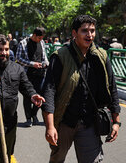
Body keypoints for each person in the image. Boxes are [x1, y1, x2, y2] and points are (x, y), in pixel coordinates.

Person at [42, 15, 121, 163]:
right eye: (84, 31)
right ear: (74, 33)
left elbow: (112, 89)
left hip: (89, 123)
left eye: (92, 30)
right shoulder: (60, 56)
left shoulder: (102, 56)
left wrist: (116, 122)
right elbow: (49, 91)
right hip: (64, 122)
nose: (89, 35)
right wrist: (50, 127)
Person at [0, 34, 45, 162]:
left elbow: (26, 86)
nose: (4, 53)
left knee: (6, 154)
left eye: (6, 49)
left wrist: (32, 95)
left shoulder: (16, 68)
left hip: (9, 121)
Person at [16, 27, 49, 127]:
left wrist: (46, 63)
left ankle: (34, 114)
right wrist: (32, 64)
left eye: (42, 38)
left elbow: (44, 57)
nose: (40, 40)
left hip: (41, 73)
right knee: (27, 97)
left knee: (41, 95)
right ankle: (28, 118)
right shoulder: (23, 43)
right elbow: (18, 58)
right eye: (39, 38)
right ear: (34, 35)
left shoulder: (42, 43)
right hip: (27, 74)